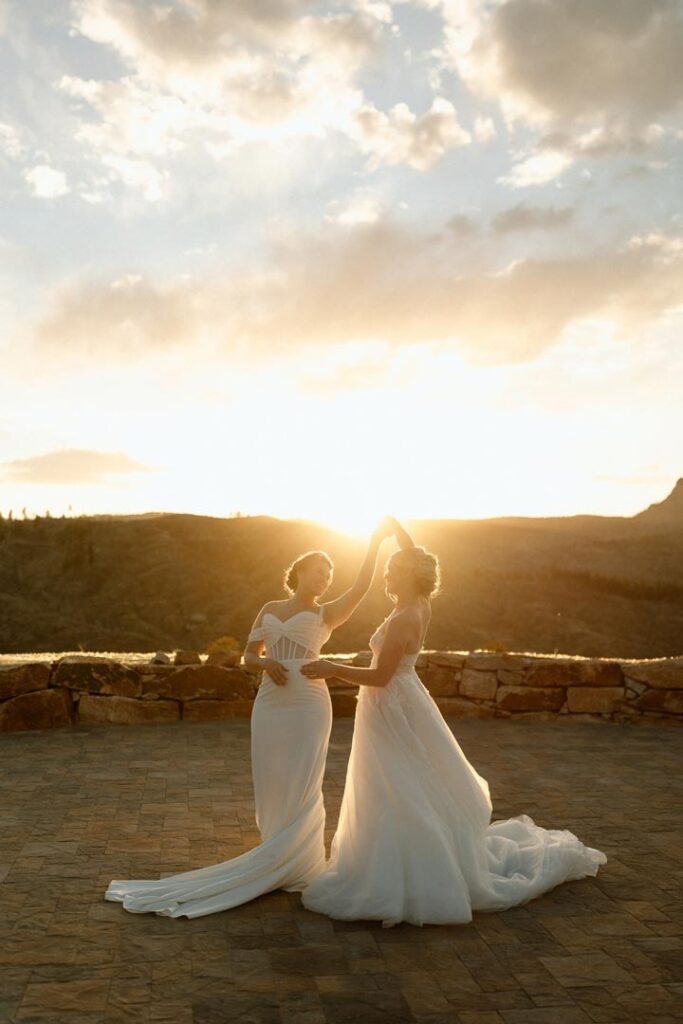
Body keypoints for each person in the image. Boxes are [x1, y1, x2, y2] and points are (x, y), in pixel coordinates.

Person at [299, 516, 608, 928]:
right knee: (404, 780)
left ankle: (405, 870)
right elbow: (413, 564)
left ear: (409, 575)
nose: (388, 571)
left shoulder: (405, 618)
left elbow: (379, 676)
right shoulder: (419, 603)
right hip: (404, 702)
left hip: (391, 707)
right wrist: (394, 533)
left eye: (393, 568)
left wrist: (330, 667)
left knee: (396, 783)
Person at [104, 517, 396, 917]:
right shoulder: (270, 608)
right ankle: (275, 847)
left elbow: (361, 587)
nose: (324, 579)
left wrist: (375, 543)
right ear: (299, 573)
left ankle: (298, 859)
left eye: (329, 574)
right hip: (271, 703)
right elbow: (248, 654)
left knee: (303, 779)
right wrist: (265, 665)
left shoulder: (326, 614)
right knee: (272, 776)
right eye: (318, 571)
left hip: (309, 704)